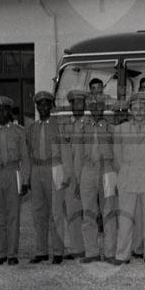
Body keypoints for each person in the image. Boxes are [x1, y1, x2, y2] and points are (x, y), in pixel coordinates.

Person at [113, 92, 145, 265]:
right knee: (125, 218)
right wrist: (126, 172)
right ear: (130, 110)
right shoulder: (120, 130)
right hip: (127, 177)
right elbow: (117, 157)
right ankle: (122, 254)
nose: (139, 111)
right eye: (135, 108)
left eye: (142, 108)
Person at [0, 96, 29, 266]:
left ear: (9, 111)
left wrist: (25, 180)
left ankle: (12, 254)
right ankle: (0, 253)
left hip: (12, 172)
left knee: (13, 215)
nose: (2, 113)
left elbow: (25, 157)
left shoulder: (19, 131)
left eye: (5, 109)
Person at [74, 94, 117, 263]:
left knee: (109, 212)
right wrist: (78, 180)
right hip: (87, 169)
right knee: (88, 213)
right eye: (93, 106)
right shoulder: (82, 128)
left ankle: (110, 253)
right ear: (88, 108)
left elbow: (117, 154)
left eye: (99, 105)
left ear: (103, 107)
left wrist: (117, 178)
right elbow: (78, 155)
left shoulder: (111, 128)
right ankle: (91, 252)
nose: (96, 108)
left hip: (107, 169)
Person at [26, 91, 68, 264]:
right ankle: (41, 251)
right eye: (40, 104)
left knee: (56, 212)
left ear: (51, 106)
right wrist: (28, 176)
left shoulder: (59, 126)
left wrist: (66, 174)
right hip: (37, 170)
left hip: (54, 168)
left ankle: (58, 251)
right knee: (38, 213)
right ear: (36, 107)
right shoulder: (32, 128)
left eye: (46, 104)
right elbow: (28, 153)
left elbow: (65, 152)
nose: (43, 107)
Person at [60, 90, 87, 260]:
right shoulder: (64, 127)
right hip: (70, 177)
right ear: (70, 105)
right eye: (75, 103)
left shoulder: (90, 125)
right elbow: (63, 153)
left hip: (88, 176)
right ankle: (76, 248)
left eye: (81, 102)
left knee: (90, 214)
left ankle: (91, 248)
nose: (78, 106)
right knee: (72, 214)